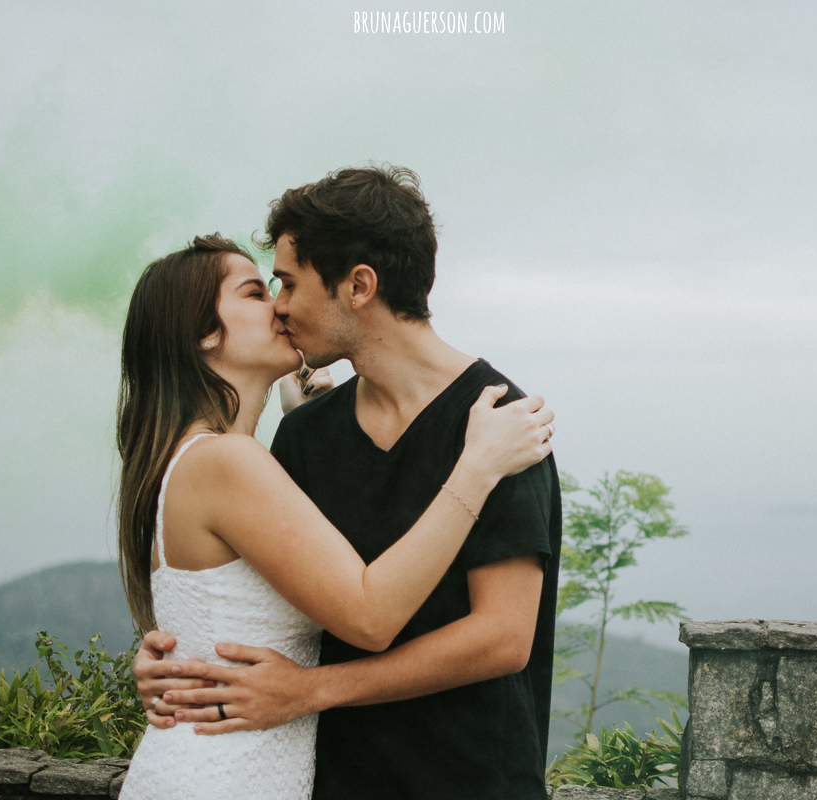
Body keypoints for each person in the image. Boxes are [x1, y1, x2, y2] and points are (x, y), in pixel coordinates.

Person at [134, 165, 563, 799]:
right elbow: (277, 583)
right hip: (334, 781)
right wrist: (181, 658)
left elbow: (502, 638)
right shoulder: (307, 434)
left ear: (358, 285)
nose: (280, 305)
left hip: (470, 781)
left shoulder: (498, 424)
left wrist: (313, 690)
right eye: (265, 289)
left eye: (286, 282)